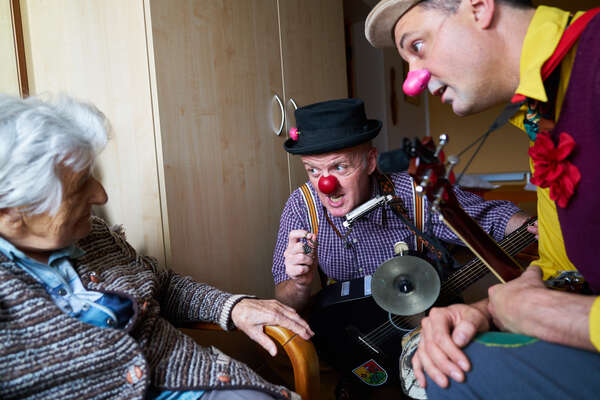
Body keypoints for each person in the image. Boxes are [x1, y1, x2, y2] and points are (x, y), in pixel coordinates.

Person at [0, 93, 313, 400]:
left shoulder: (93, 234)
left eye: (92, 175)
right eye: (79, 184)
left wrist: (234, 307)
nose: (100, 196)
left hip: (196, 380)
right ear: (12, 213)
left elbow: (161, 285)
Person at [366, 0, 600, 398]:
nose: (413, 82)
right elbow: (564, 269)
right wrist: (482, 313)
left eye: (417, 46)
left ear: (478, 6)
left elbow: (557, 304)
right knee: (441, 361)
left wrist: (554, 315)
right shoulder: (541, 118)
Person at [272, 98, 528, 311]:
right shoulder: (301, 205)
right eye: (313, 170)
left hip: (420, 323)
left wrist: (538, 227)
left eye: (339, 167)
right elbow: (284, 300)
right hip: (350, 335)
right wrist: (299, 283)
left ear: (371, 162)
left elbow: (492, 219)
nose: (326, 184)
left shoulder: (414, 191)